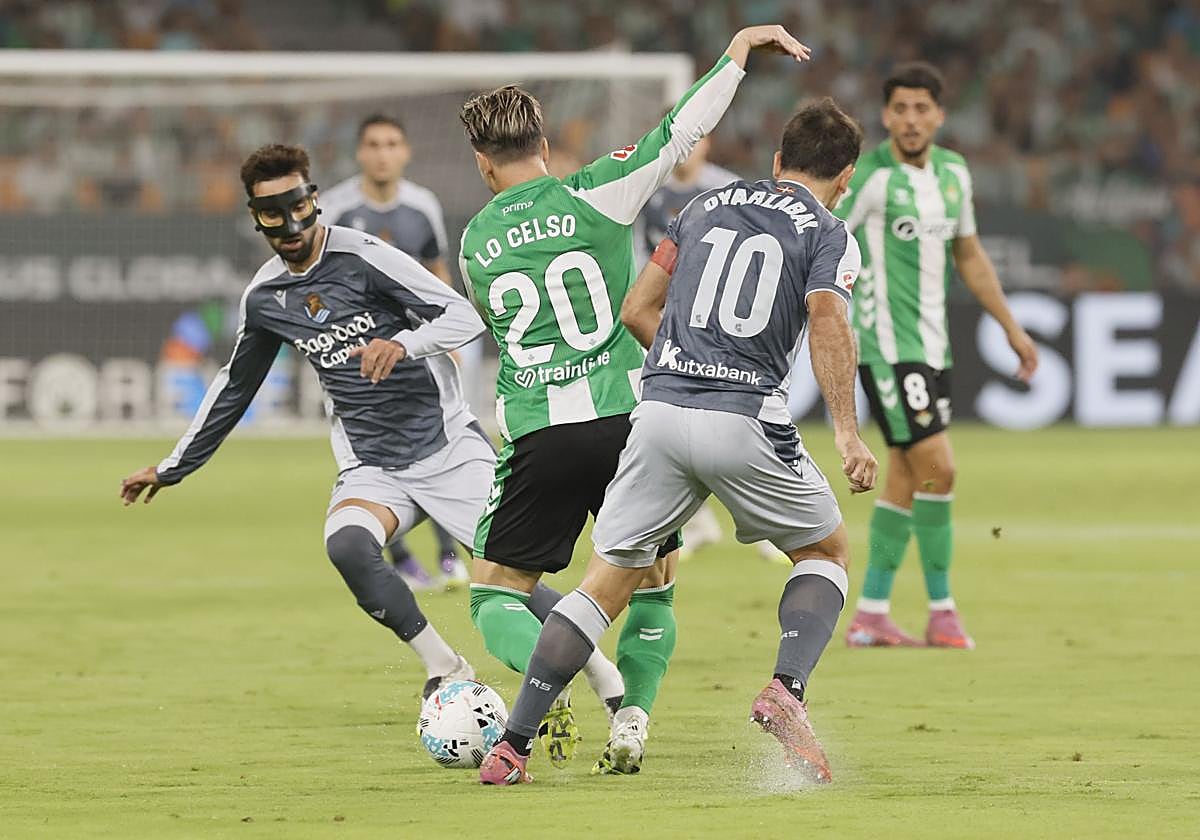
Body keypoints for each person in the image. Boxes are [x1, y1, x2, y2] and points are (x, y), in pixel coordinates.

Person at [477, 97, 877, 786]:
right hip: (746, 413)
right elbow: (827, 321)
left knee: (603, 584)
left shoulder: (703, 206)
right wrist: (846, 431)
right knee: (825, 551)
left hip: (656, 412)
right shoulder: (831, 231)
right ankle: (787, 686)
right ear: (846, 178)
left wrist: (680, 369)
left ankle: (511, 746)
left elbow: (638, 307)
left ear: (778, 161)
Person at [119, 143, 490, 702]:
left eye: (298, 206)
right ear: (255, 217)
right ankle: (445, 665)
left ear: (314, 200)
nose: (290, 224)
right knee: (346, 546)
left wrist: (404, 343)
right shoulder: (266, 298)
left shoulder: (364, 256)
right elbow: (233, 388)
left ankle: (608, 689)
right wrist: (172, 468)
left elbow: (464, 314)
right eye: (273, 213)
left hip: (445, 445)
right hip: (372, 464)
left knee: (511, 584)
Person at [835, 63, 1038, 650]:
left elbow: (970, 256)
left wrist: (1012, 329)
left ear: (939, 116)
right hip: (884, 347)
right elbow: (823, 238)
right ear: (885, 116)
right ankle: (942, 609)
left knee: (907, 472)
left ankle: (872, 612)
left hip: (933, 346)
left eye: (922, 108)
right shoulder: (868, 177)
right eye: (900, 108)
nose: (911, 119)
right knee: (940, 467)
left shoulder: (953, 173)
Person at [321, 114, 472, 592]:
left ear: (405, 152)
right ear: (360, 153)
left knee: (442, 444)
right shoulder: (335, 210)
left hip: (419, 355)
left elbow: (437, 273)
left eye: (391, 143)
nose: (382, 153)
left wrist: (446, 338)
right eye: (373, 144)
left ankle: (449, 557)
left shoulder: (421, 206)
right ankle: (403, 558)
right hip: (359, 358)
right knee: (375, 457)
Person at [635, 133, 741, 559]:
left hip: (717, 325)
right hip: (664, 322)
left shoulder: (728, 191)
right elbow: (644, 256)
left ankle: (761, 523)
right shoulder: (651, 195)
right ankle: (697, 521)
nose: (687, 149)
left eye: (695, 141)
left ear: (708, 144)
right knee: (668, 420)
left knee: (730, 419)